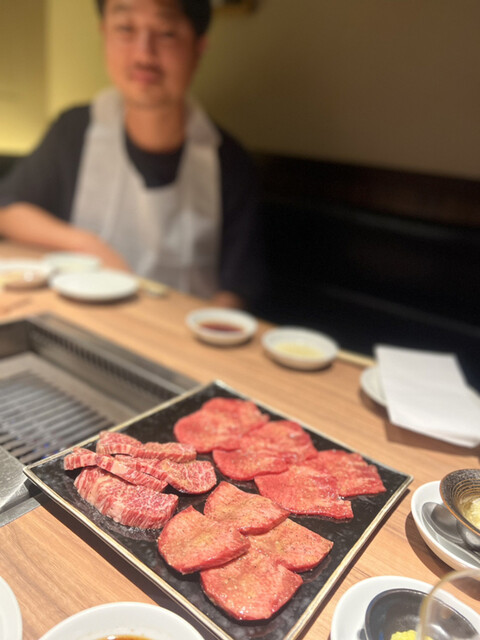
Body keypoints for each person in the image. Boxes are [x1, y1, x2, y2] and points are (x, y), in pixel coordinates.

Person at [0, 0, 264, 309]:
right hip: (87, 320)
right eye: (125, 28)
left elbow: (238, 287)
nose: (143, 55)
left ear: (199, 47)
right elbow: (8, 209)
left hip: (178, 329)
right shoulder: (74, 131)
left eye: (166, 33)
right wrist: (87, 245)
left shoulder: (229, 161)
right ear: (104, 34)